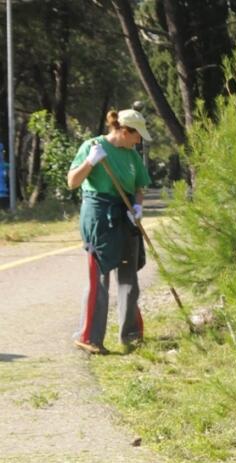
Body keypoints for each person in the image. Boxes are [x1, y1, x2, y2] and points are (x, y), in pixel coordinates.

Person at [66, 109, 152, 354]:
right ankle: (90, 337)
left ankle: (131, 336)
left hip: (125, 216)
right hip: (99, 218)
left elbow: (139, 187)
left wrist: (137, 206)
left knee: (129, 279)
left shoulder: (132, 154)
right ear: (124, 131)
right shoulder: (92, 146)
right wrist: (90, 162)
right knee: (99, 279)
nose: (139, 140)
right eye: (137, 135)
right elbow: (72, 181)